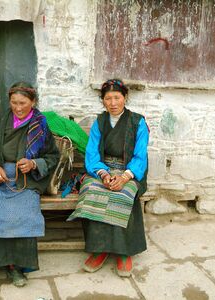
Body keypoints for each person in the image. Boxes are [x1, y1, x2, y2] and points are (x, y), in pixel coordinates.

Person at [0, 82, 59, 287]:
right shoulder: (1, 119)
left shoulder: (40, 125)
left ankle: (16, 266)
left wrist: (34, 163)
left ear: (33, 102)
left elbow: (53, 156)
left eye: (23, 103)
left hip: (25, 180)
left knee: (22, 215)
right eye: (14, 102)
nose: (18, 108)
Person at [68, 79, 149, 277]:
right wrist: (103, 174)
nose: (113, 103)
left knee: (122, 194)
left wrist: (124, 177)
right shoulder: (100, 122)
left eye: (117, 98)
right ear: (103, 100)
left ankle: (123, 251)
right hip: (102, 170)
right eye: (108, 98)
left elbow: (141, 156)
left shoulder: (138, 122)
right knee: (92, 192)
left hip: (130, 172)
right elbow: (92, 154)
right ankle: (100, 249)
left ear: (125, 98)